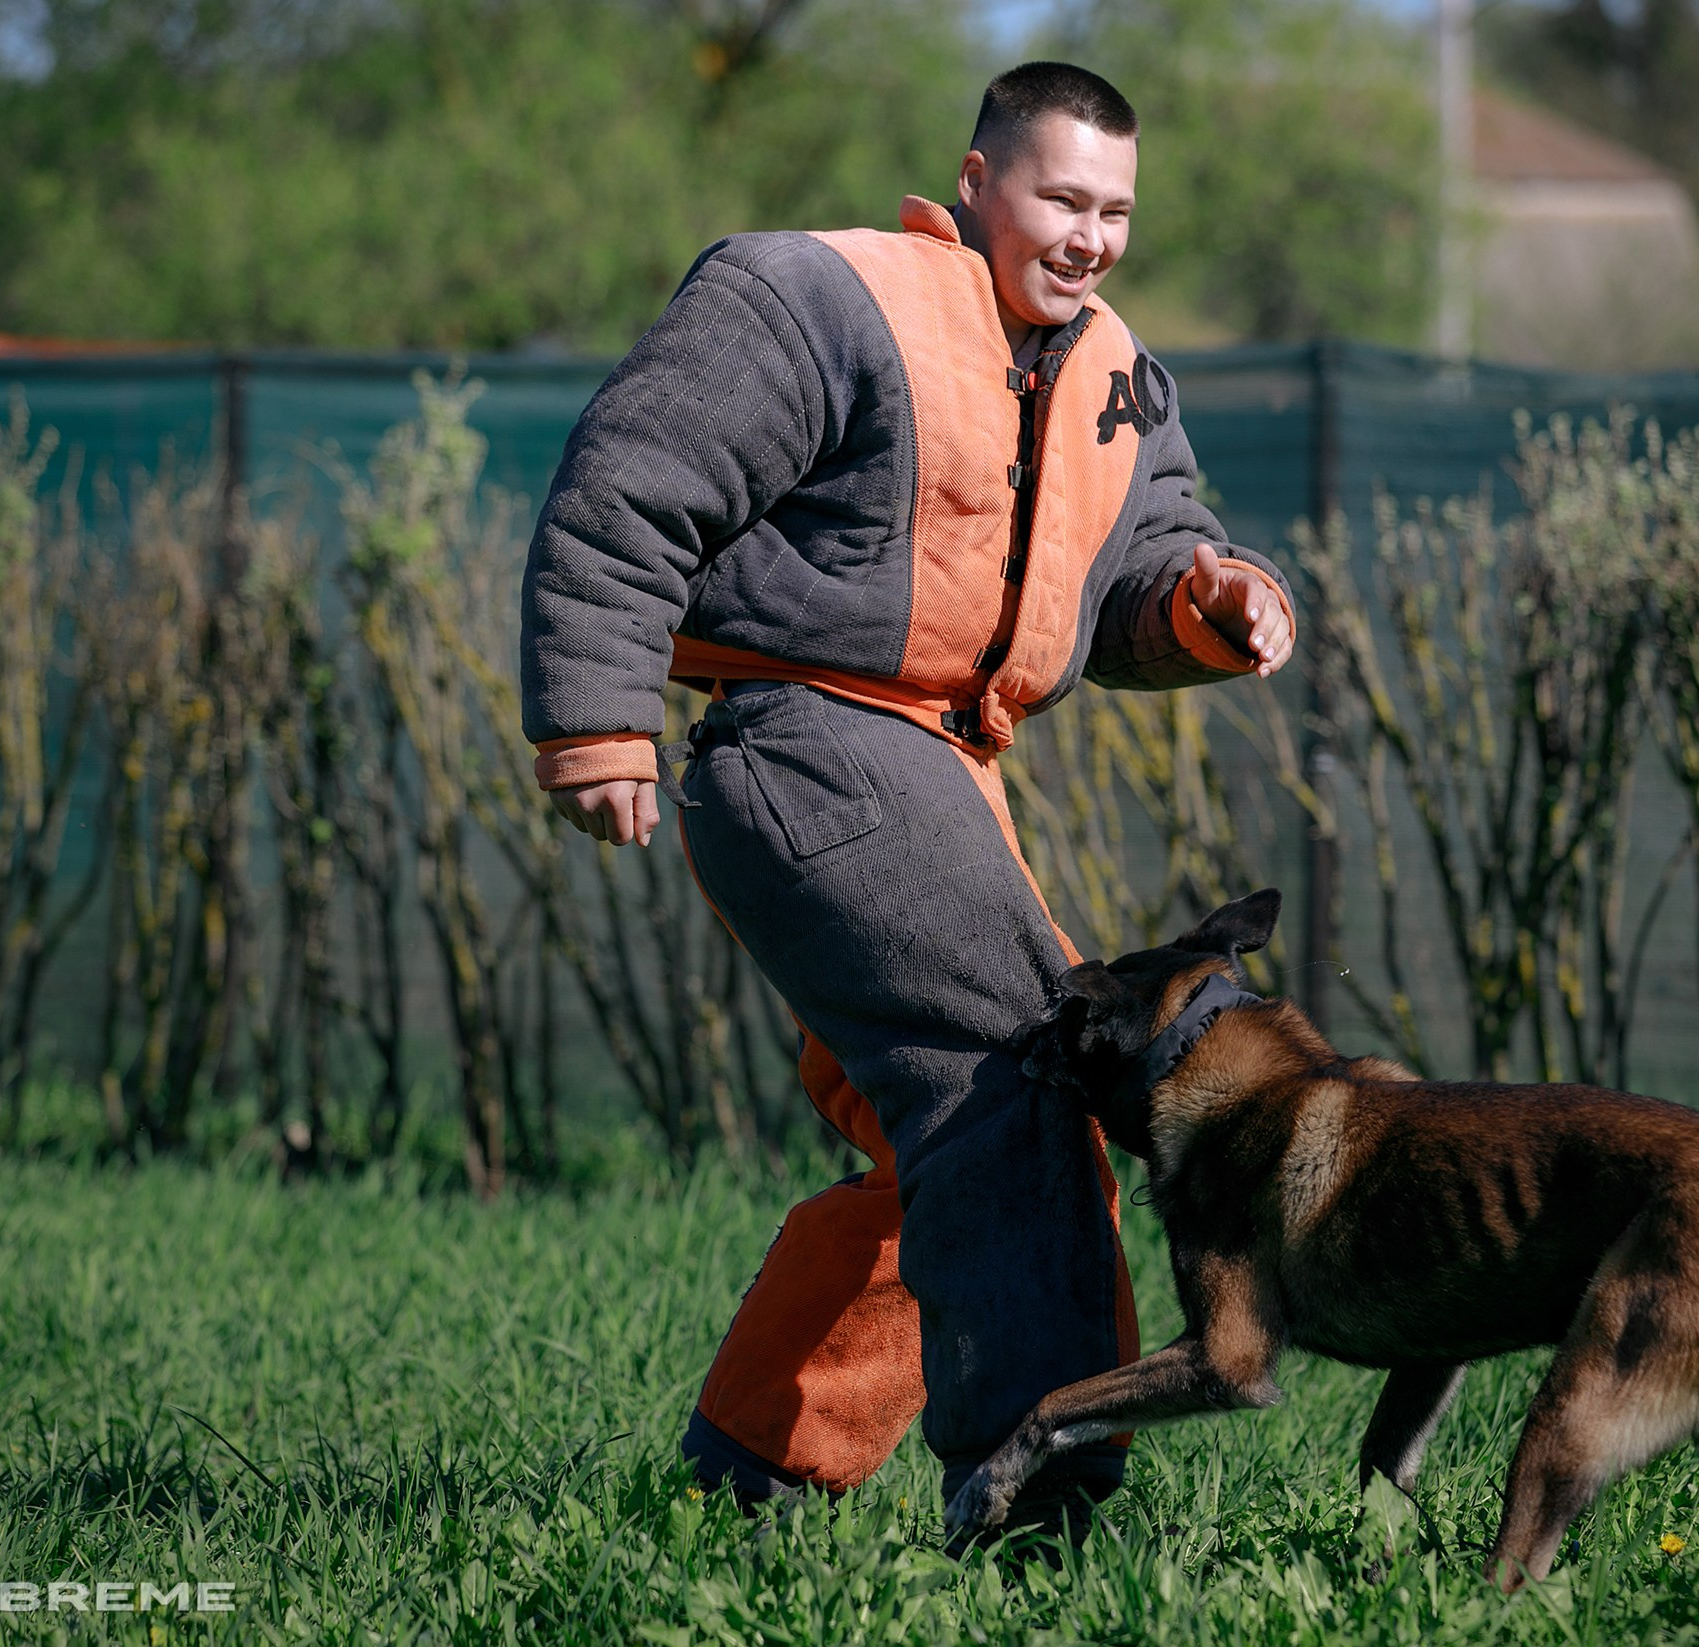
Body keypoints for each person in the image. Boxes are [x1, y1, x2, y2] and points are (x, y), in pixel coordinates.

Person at [518, 61, 1296, 1537]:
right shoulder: (816, 298)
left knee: (941, 1130)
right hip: (807, 741)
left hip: (943, 767)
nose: (1092, 236)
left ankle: (745, 1482)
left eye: (1118, 209)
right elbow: (633, 481)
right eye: (1064, 198)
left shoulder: (1112, 365)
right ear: (981, 181)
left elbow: (1132, 561)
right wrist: (599, 721)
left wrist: (1211, 599)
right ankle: (1037, 1500)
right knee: (1019, 1082)